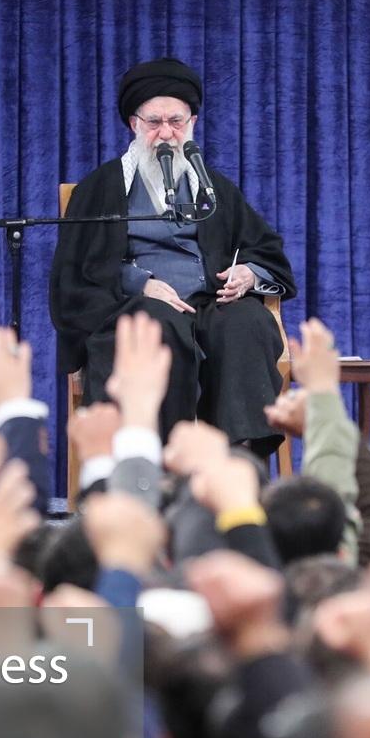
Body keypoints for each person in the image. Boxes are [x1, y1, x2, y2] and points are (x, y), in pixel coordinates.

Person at [50, 58, 297, 458]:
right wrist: (139, 283)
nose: (166, 134)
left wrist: (248, 273)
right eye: (154, 122)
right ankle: (156, 465)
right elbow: (77, 271)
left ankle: (239, 462)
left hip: (210, 303)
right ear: (134, 124)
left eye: (176, 122)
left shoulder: (214, 188)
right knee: (156, 324)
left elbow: (264, 247)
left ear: (192, 122)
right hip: (136, 306)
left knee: (246, 322)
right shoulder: (101, 187)